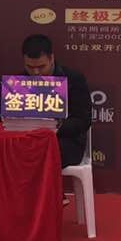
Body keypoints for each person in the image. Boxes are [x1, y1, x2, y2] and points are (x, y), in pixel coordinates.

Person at [20, 34, 92, 168]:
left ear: (51, 58)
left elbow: (83, 120)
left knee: (40, 153)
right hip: (29, 140)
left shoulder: (73, 79)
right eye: (29, 67)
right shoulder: (17, 82)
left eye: (41, 67)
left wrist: (54, 127)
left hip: (65, 141)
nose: (36, 72)